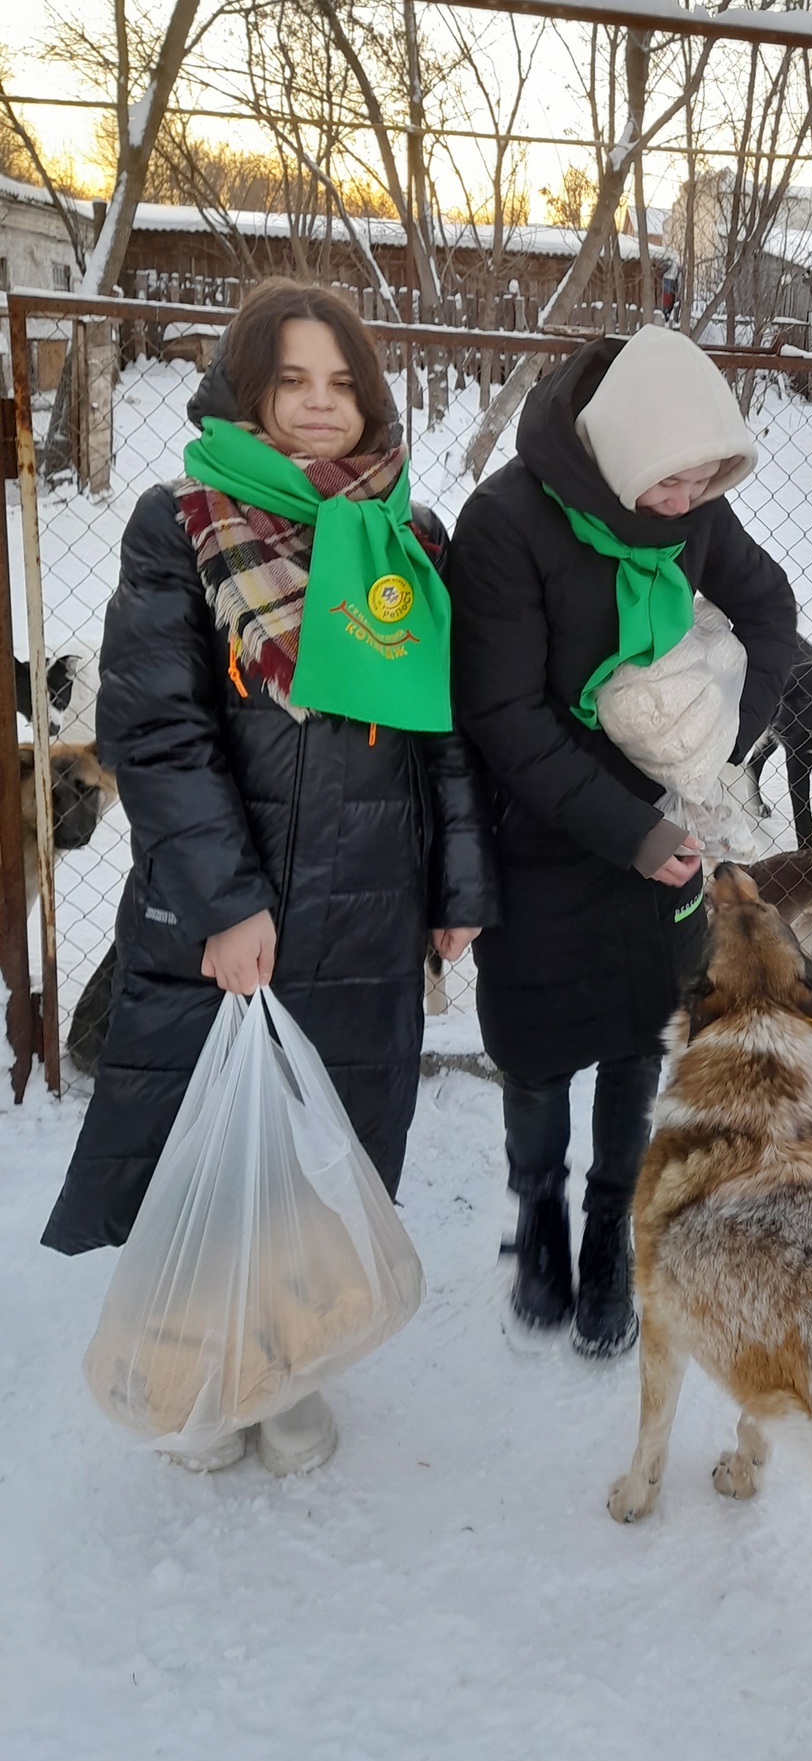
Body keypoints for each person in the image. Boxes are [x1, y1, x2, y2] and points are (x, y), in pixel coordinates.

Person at [42, 280, 497, 1475]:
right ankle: (206, 1378)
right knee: (216, 1152)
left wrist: (458, 888)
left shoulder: (410, 532)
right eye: (291, 380)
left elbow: (442, 729)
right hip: (233, 915)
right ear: (247, 391)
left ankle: (289, 1365)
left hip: (370, 912)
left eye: (341, 383)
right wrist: (226, 903)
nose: (317, 406)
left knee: (317, 1154)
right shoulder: (180, 521)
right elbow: (160, 731)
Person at [448, 324, 797, 1359]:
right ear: (623, 448)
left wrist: (730, 732)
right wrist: (628, 831)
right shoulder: (507, 522)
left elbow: (770, 609)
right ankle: (541, 1224)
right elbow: (502, 712)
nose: (689, 505)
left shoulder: (688, 508)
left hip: (667, 844)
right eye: (674, 482)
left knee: (636, 1044)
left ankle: (610, 1234)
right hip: (548, 841)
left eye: (706, 484)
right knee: (540, 1055)